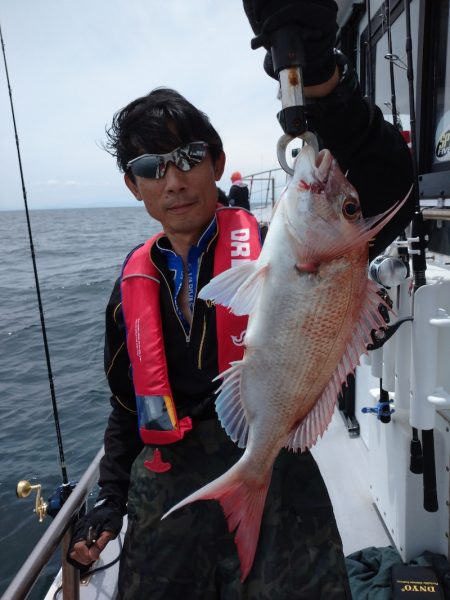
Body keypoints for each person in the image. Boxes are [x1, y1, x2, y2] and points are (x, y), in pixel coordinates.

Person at [67, 1, 414, 598]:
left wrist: (324, 77)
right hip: (166, 480)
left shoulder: (273, 244)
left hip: (274, 458)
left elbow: (391, 184)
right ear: (133, 185)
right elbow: (128, 409)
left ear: (218, 162)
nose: (173, 181)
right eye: (151, 167)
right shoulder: (131, 288)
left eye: (189, 158)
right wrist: (109, 498)